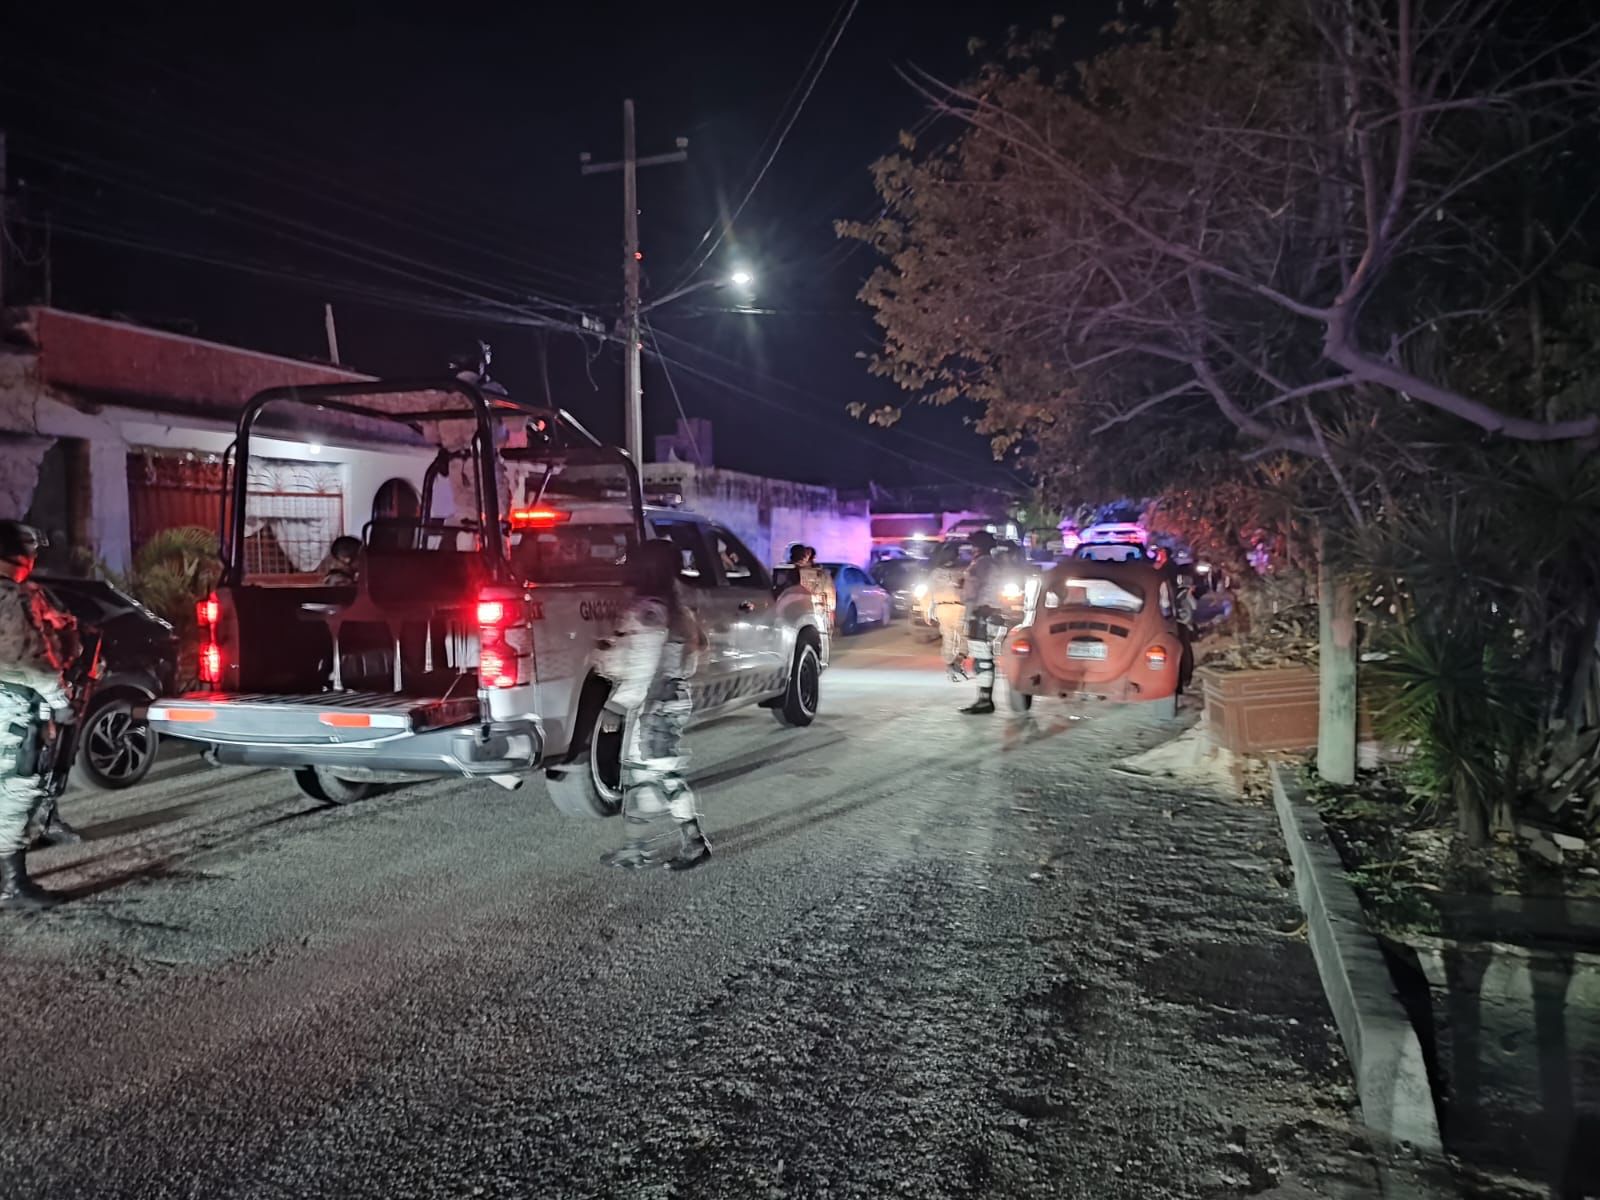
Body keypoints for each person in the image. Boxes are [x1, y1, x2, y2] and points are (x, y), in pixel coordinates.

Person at [597, 538, 712, 871]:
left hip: (653, 707)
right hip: (665, 702)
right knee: (640, 775)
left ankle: (693, 842)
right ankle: (635, 848)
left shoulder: (649, 612)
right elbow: (699, 648)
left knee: (663, 775)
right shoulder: (675, 609)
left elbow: (645, 672)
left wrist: (615, 706)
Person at [0, 521, 80, 909]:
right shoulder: (13, 597)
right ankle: (13, 885)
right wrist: (61, 702)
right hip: (12, 706)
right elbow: (35, 661)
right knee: (16, 790)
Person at [958, 529, 1005, 715]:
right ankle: (984, 699)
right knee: (983, 658)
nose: (971, 548)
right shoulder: (988, 563)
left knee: (983, 658)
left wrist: (968, 614)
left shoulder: (982, 564)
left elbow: (973, 591)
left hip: (982, 613)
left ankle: (985, 701)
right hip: (987, 612)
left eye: (973, 545)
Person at [790, 544, 836, 629]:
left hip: (810, 608)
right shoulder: (817, 573)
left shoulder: (819, 572)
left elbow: (827, 591)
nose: (806, 558)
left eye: (807, 555)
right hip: (806, 609)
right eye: (805, 555)